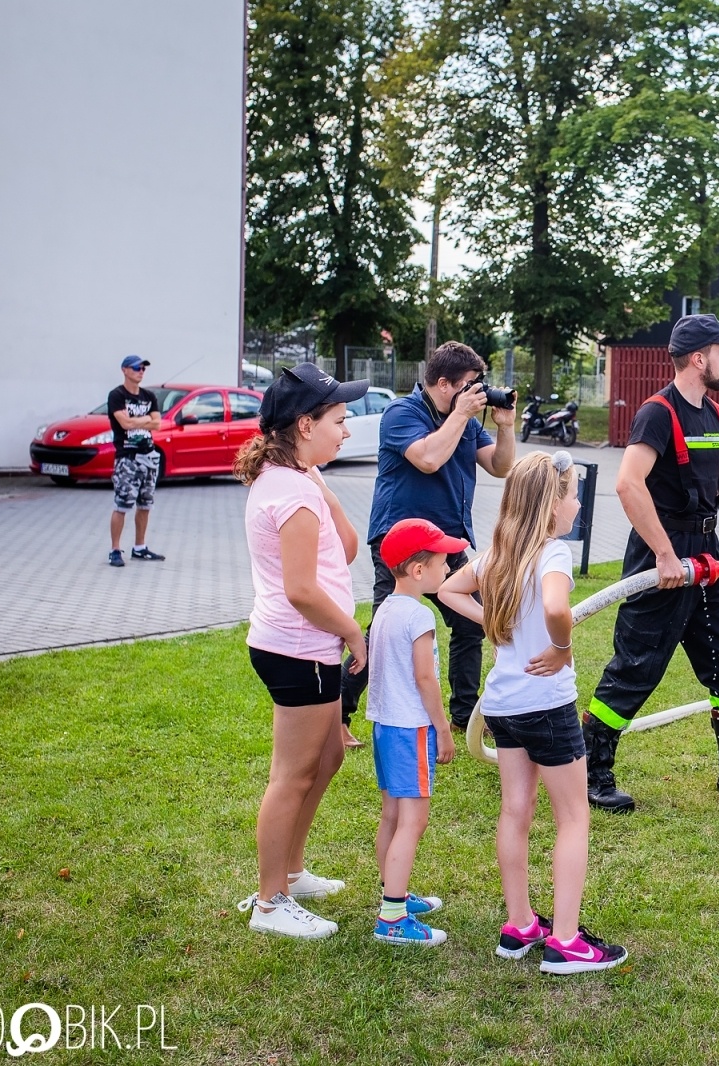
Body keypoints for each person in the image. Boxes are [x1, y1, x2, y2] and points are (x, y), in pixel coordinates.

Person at [583, 314, 719, 813]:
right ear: (700, 358)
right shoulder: (657, 413)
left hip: (707, 558)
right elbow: (628, 483)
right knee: (636, 669)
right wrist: (663, 553)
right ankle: (589, 773)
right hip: (660, 558)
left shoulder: (718, 416)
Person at [439, 450, 628, 974]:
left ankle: (520, 924)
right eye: (571, 495)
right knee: (573, 817)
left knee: (515, 812)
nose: (576, 504)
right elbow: (555, 609)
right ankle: (565, 942)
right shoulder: (553, 553)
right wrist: (562, 647)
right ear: (551, 505)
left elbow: (448, 588)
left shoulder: (498, 553)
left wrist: (493, 624)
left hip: (502, 705)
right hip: (547, 706)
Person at [234, 362, 369, 940]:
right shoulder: (288, 491)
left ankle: (289, 872)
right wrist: (353, 633)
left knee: (327, 759)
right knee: (291, 776)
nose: (347, 430)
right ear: (304, 424)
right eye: (339, 420)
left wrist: (320, 482)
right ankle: (270, 902)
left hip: (304, 645)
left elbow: (347, 548)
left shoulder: (298, 481)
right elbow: (302, 590)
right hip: (298, 649)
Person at [340, 342, 517, 748]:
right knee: (385, 631)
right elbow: (428, 459)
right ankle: (338, 712)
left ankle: (463, 717)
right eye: (470, 385)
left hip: (447, 540)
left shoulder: (467, 420)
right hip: (400, 542)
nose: (477, 393)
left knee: (473, 620)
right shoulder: (403, 413)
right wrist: (460, 416)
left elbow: (501, 466)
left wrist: (505, 425)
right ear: (443, 384)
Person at [367, 518, 466, 946]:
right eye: (443, 561)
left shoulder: (385, 609)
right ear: (417, 569)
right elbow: (426, 679)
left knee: (392, 815)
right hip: (413, 730)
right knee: (413, 821)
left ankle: (396, 894)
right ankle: (391, 918)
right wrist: (443, 730)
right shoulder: (419, 615)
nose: (449, 567)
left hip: (385, 727)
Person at [106, 355, 166, 567]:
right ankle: (115, 549)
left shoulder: (149, 395)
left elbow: (157, 424)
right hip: (127, 458)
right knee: (122, 504)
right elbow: (124, 424)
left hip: (148, 457)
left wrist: (138, 422)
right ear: (124, 370)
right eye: (136, 368)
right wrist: (145, 420)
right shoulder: (117, 395)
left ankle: (139, 547)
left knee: (145, 504)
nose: (140, 371)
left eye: (143, 368)